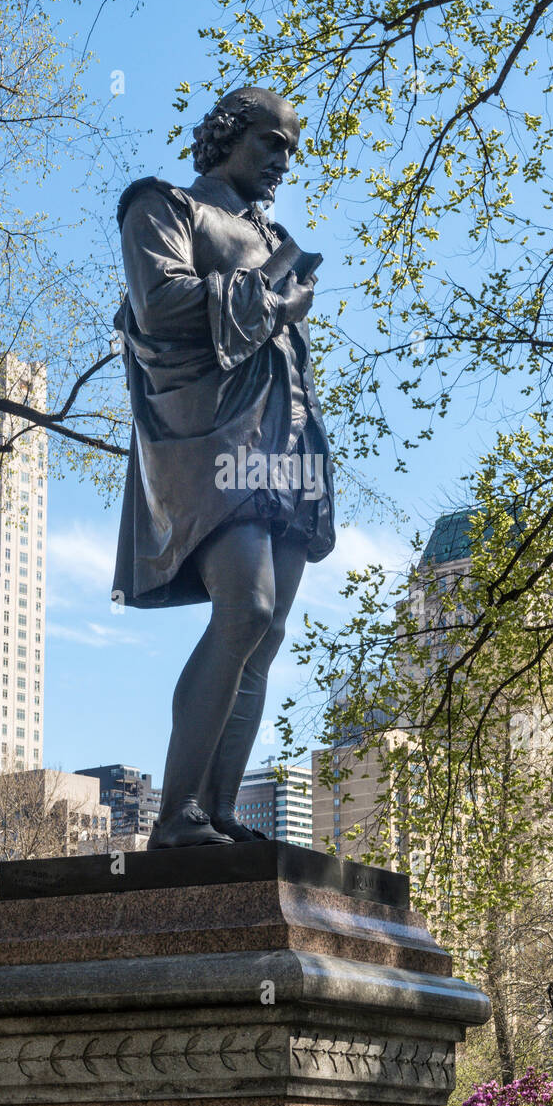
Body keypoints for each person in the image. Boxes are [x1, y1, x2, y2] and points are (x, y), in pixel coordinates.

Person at [112, 86, 335, 848]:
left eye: (291, 149)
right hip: (213, 440)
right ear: (227, 136)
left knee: (264, 634)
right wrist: (273, 302)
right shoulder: (161, 204)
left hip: (287, 440)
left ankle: (218, 813)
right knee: (246, 609)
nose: (282, 160)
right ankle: (175, 818)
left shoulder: (273, 236)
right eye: (271, 142)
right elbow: (160, 304)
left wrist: (280, 301)